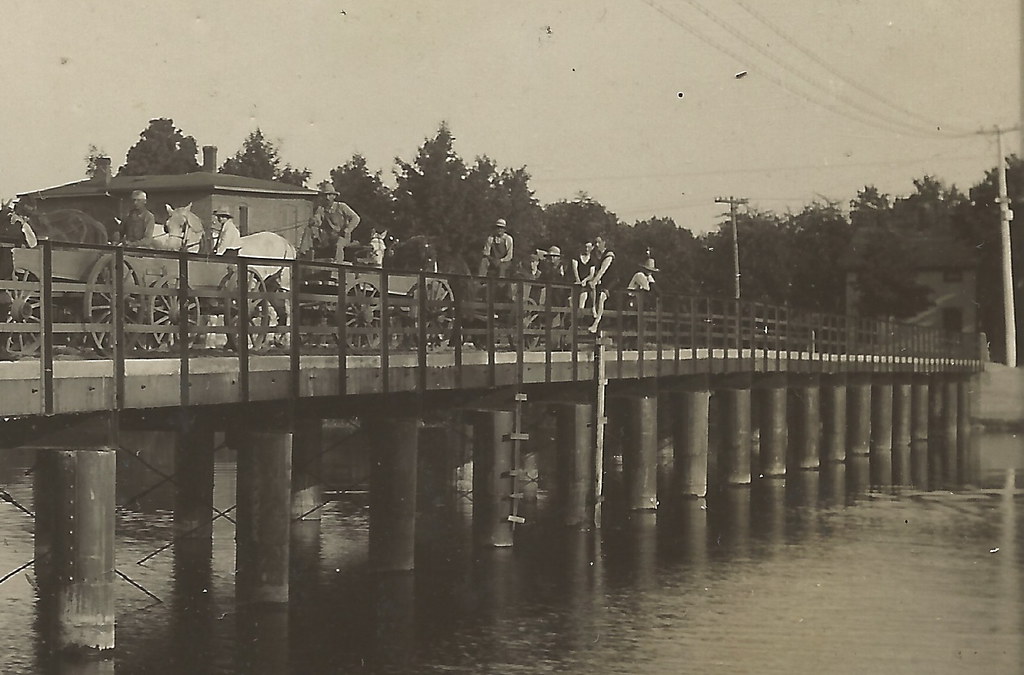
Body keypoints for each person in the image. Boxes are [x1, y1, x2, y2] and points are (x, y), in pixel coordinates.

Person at [0, 209, 38, 360]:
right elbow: (32, 243)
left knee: (4, 305)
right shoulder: (16, 223)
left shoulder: (10, 220)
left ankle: (2, 348)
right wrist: (21, 223)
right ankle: (1, 349)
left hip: (3, 274)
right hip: (2, 273)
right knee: (4, 305)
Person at [306, 184, 360, 263]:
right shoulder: (321, 209)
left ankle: (338, 264)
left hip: (343, 237)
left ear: (334, 196)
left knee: (339, 244)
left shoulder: (342, 207)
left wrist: (348, 229)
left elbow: (356, 218)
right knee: (311, 239)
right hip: (328, 239)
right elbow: (318, 220)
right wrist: (313, 221)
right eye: (325, 195)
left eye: (329, 195)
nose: (327, 198)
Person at [587, 235, 615, 333]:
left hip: (613, 281)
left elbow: (603, 270)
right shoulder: (596, 256)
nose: (597, 245)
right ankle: (592, 310)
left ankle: (596, 324)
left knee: (602, 296)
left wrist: (594, 281)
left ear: (604, 243)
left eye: (599, 242)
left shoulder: (609, 255)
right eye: (595, 242)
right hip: (602, 281)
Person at [572, 240, 596, 312]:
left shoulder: (592, 259)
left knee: (589, 288)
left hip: (586, 281)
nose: (587, 249)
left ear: (592, 248)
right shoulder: (576, 257)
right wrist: (578, 280)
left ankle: (593, 307)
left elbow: (591, 274)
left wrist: (585, 280)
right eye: (585, 247)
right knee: (572, 297)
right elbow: (575, 270)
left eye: (589, 247)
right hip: (576, 280)